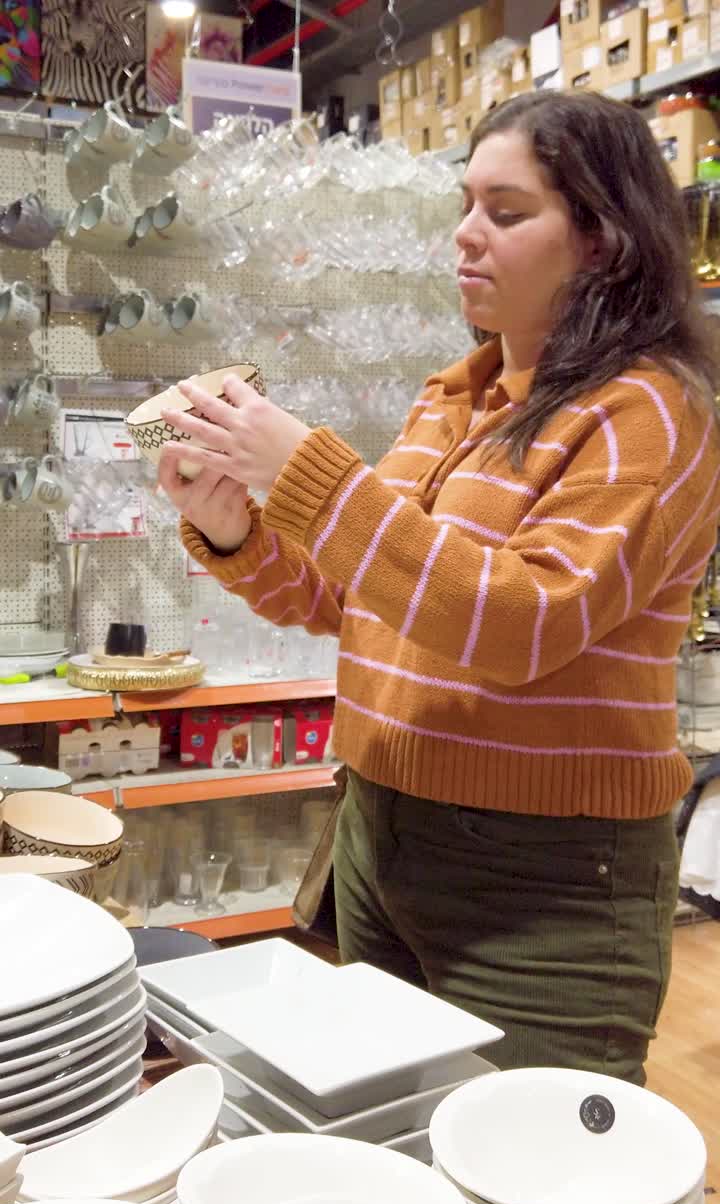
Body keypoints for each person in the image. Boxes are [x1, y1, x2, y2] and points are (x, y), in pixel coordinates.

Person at [159, 91, 720, 1085]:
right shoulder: (454, 396)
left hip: (542, 878)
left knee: (531, 1179)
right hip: (382, 829)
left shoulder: (652, 411)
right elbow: (356, 596)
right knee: (398, 1134)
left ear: (604, 240)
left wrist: (310, 473)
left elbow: (518, 622)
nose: (464, 234)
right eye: (466, 203)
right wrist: (232, 521)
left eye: (506, 212)